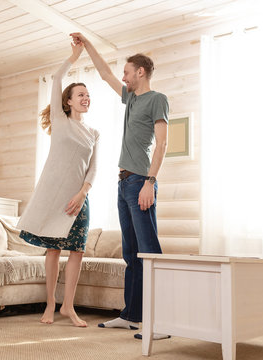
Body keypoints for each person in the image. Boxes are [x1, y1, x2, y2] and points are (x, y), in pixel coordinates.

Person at [70, 33, 169, 339]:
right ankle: (131, 315)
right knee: (131, 253)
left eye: (128, 72)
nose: (123, 77)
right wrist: (87, 45)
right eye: (123, 73)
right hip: (123, 182)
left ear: (141, 72)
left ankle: (163, 322)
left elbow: (163, 144)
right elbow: (104, 73)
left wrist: (150, 183)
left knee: (149, 253)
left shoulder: (157, 99)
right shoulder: (130, 98)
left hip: (141, 182)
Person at [17, 42, 99, 328]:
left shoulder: (94, 133)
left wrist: (82, 194)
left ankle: (68, 307)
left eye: (88, 95)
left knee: (77, 251)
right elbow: (55, 79)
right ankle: (51, 303)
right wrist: (74, 57)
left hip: (79, 199)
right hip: (56, 199)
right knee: (53, 251)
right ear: (68, 101)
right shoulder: (59, 121)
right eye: (80, 94)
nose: (85, 98)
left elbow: (93, 169)